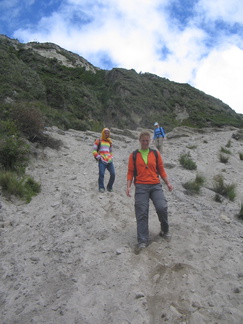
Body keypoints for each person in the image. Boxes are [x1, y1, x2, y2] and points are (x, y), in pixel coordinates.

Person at [126, 130, 173, 251]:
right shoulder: (134, 155)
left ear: (150, 141)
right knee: (142, 211)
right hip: (141, 186)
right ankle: (142, 240)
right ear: (140, 141)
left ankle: (164, 230)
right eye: (143, 141)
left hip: (155, 185)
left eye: (147, 140)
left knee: (162, 207)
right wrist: (128, 186)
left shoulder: (155, 154)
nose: (145, 142)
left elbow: (161, 170)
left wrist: (168, 183)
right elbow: (130, 172)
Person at [93, 128, 115, 193]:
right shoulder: (98, 140)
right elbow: (94, 150)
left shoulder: (110, 142)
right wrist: (98, 156)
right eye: (105, 133)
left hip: (109, 160)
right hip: (102, 160)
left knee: (113, 174)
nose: (107, 134)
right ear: (103, 133)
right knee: (101, 174)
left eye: (108, 133)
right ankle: (101, 187)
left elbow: (110, 151)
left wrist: (111, 156)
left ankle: (109, 187)